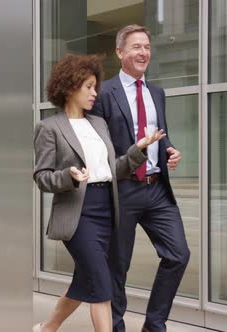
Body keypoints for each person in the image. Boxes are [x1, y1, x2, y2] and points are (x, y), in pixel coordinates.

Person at [32, 53, 166, 332]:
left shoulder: (98, 124)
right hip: (79, 214)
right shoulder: (49, 128)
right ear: (71, 87)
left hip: (108, 210)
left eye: (96, 86)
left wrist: (137, 150)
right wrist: (68, 177)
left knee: (86, 282)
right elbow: (42, 177)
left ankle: (48, 328)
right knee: (102, 286)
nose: (95, 93)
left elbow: (113, 169)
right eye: (89, 87)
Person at [90, 25, 190, 332]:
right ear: (120, 53)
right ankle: (116, 327)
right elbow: (98, 147)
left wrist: (169, 149)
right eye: (136, 46)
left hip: (157, 189)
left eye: (146, 46)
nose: (143, 52)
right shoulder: (104, 93)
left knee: (178, 254)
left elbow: (160, 135)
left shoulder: (156, 93)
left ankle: (154, 324)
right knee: (117, 267)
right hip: (122, 190)